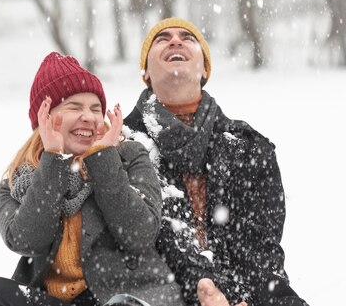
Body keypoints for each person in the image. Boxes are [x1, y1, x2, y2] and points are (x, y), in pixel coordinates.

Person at [0, 52, 187, 306]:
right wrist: (53, 162)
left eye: (95, 108)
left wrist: (103, 160)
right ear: (45, 117)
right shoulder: (17, 180)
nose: (90, 117)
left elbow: (139, 234)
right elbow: (28, 240)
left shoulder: (128, 156)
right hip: (56, 301)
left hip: (128, 298)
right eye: (74, 107)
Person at [122, 18, 309, 306]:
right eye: (162, 39)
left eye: (187, 37)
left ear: (205, 68)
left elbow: (259, 256)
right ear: (145, 72)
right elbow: (140, 250)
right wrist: (202, 290)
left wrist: (238, 298)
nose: (175, 41)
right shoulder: (119, 147)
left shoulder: (248, 148)